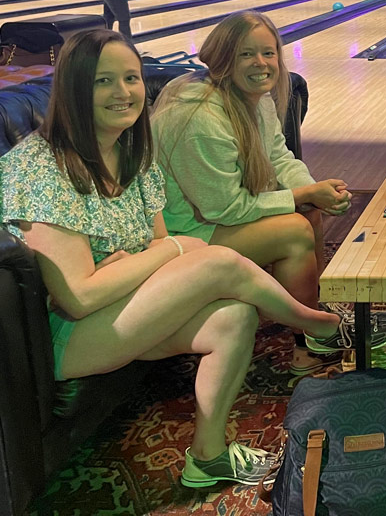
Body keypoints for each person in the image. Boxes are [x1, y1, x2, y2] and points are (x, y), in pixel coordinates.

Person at [0, 29, 358, 487]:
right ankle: (319, 325)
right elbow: (80, 297)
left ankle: (207, 457)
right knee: (213, 260)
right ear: (72, 87)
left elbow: (154, 246)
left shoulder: (132, 152)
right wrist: (171, 250)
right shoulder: (41, 167)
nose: (124, 92)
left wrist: (150, 257)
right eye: (103, 81)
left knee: (233, 315)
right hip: (66, 338)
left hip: (124, 306)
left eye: (130, 78)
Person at [151, 11, 386, 375]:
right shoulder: (199, 121)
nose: (261, 63)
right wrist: (302, 196)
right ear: (223, 61)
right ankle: (310, 339)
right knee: (295, 230)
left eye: (268, 53)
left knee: (308, 212)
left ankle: (316, 315)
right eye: (246, 54)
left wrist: (313, 190)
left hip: (213, 218)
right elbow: (227, 209)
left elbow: (279, 157)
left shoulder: (253, 99)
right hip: (184, 233)